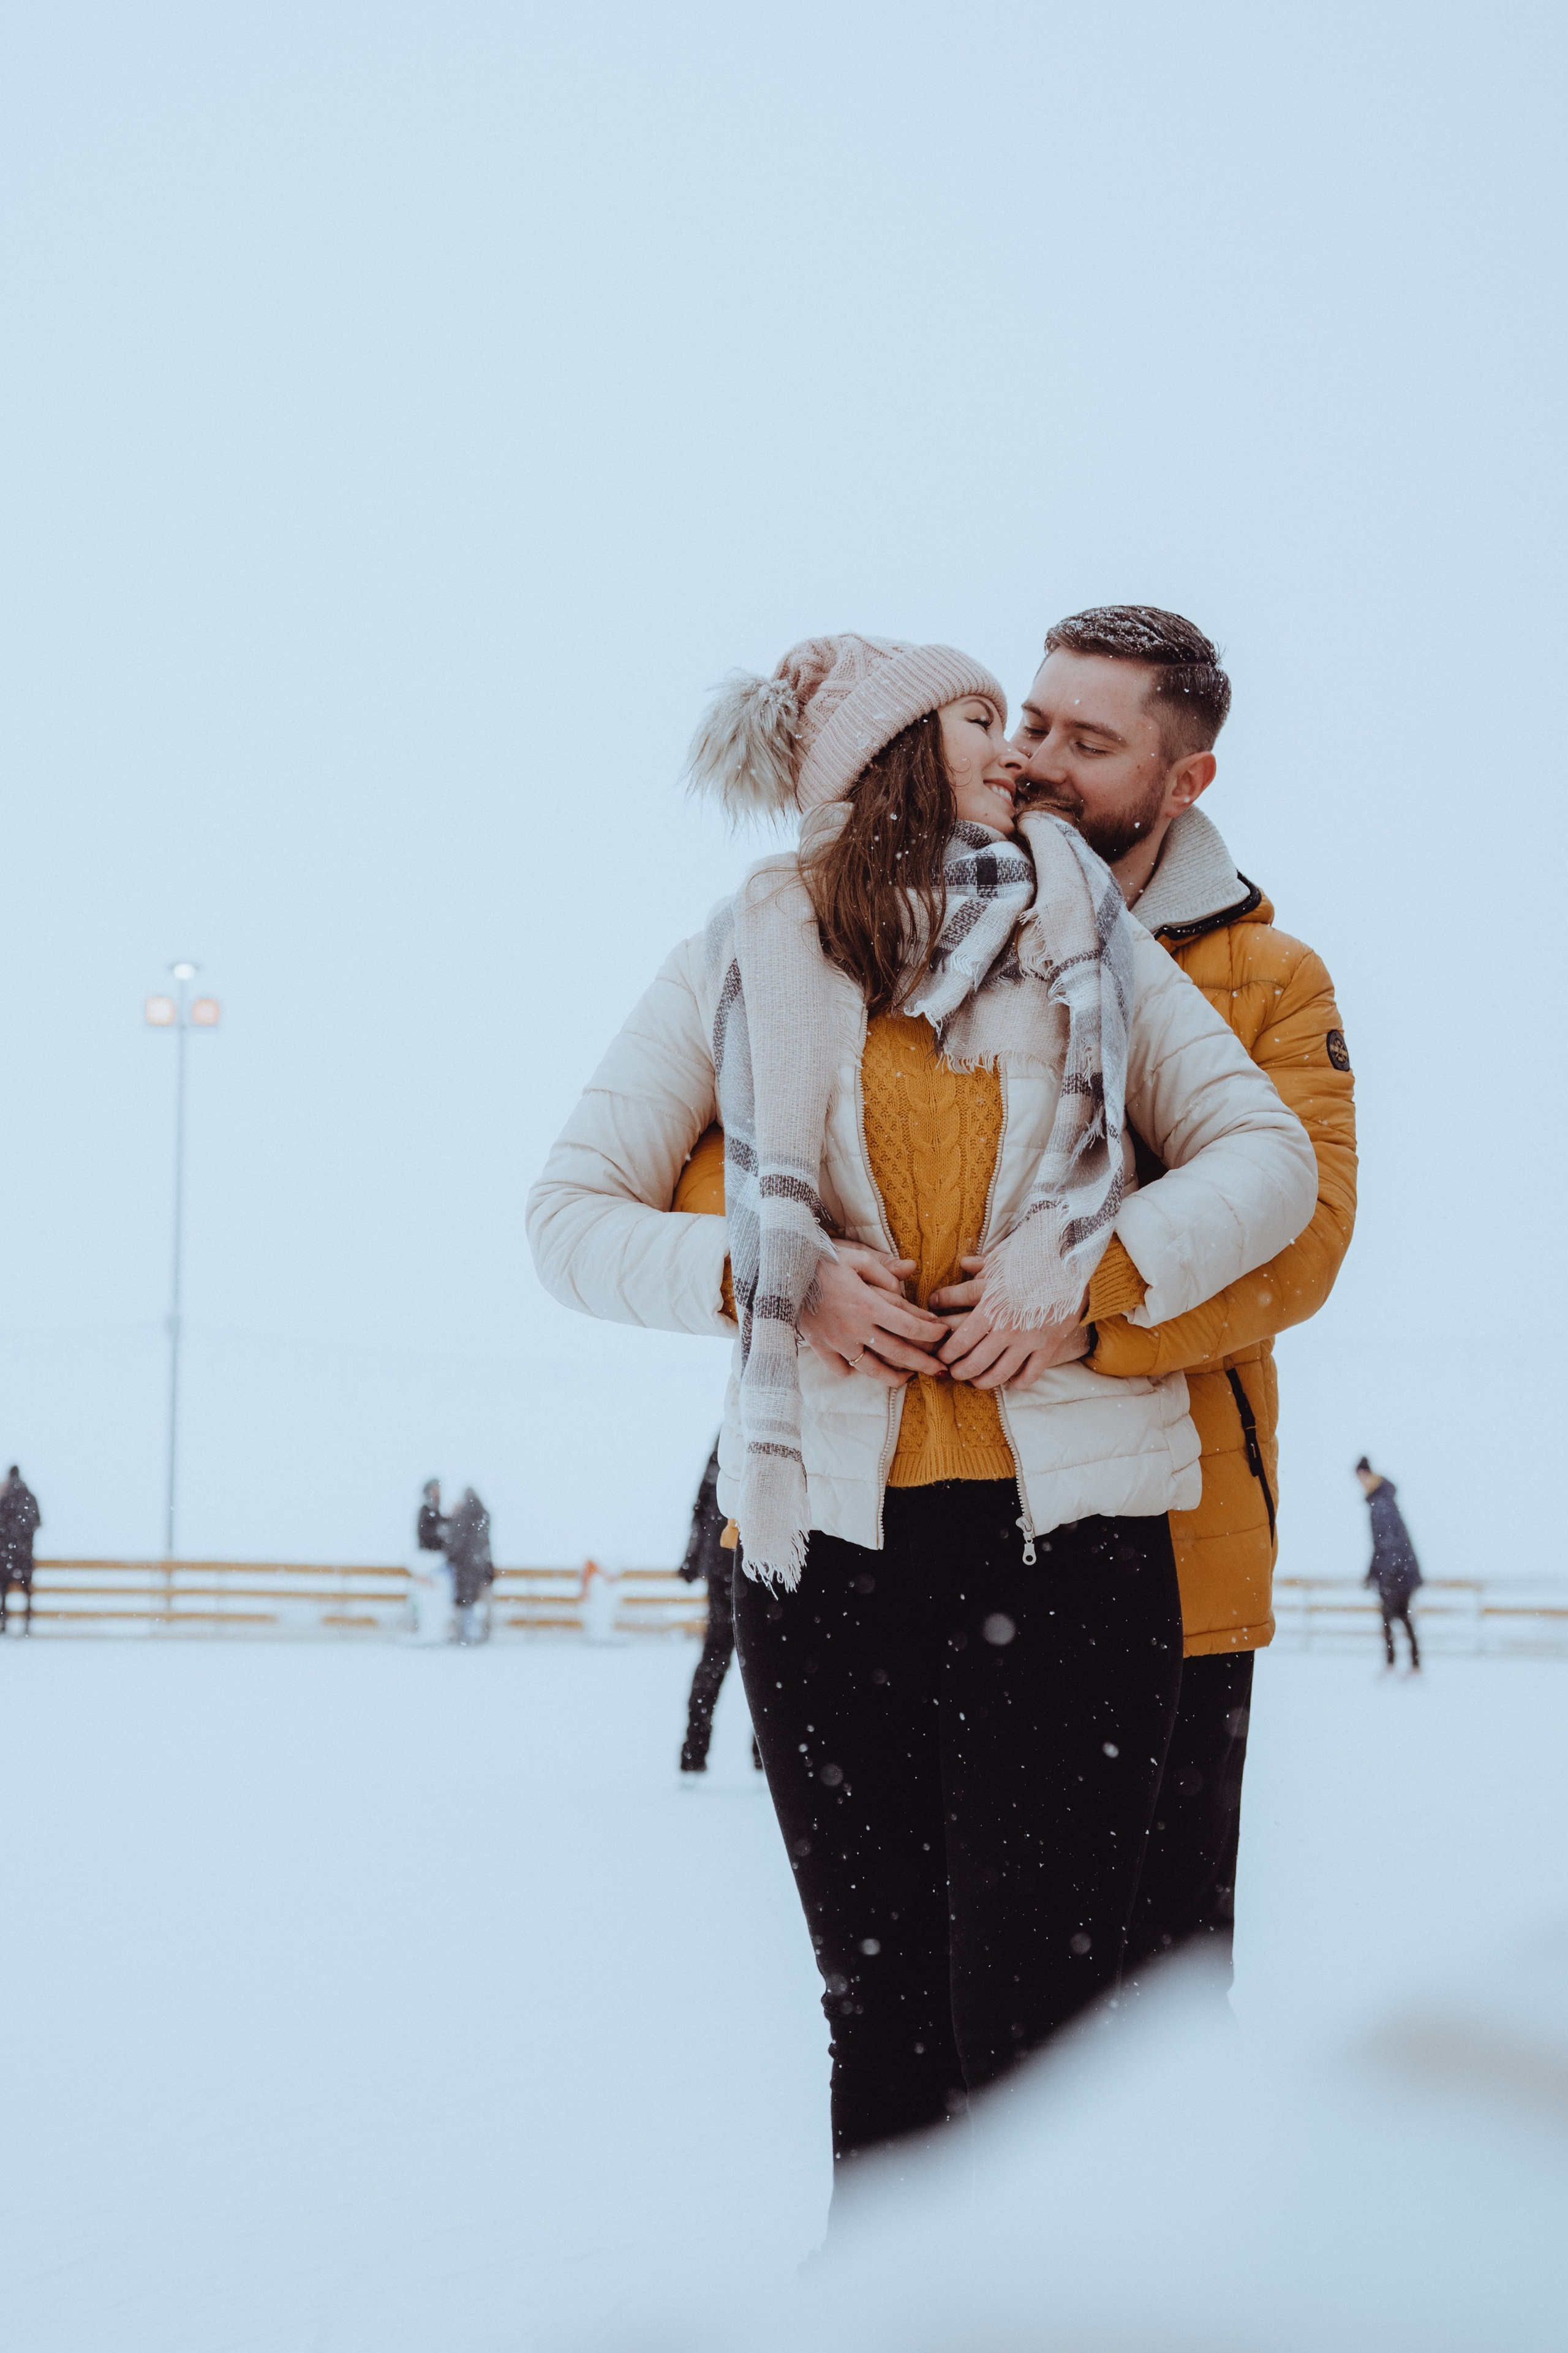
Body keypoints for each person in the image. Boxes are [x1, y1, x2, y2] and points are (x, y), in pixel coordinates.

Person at [527, 630, 1316, 2200]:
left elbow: (1268, 1163)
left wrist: (1083, 1270)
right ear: (882, 757)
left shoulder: (1084, 927)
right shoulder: (747, 946)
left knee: (1033, 2031)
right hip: (826, 1564)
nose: (1014, 748)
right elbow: (569, 1214)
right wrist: (781, 1279)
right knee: (879, 2017)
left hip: (1072, 1553)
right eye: (979, 717)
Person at [1001, 606, 1358, 1989]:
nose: (1039, 760)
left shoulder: (1269, 979)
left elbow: (1300, 1241)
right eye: (1033, 722)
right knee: (947, 1982)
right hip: (956, 1517)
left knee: (1146, 1995)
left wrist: (1079, 1315)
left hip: (1173, 1540)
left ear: (1183, 778)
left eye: (1089, 742)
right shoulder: (936, 920)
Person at [676, 1442, 763, 1774]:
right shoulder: (761, 1422)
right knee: (762, 1660)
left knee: (718, 1656)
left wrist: (692, 1555)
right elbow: (704, 1501)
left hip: (728, 1562)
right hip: (750, 1562)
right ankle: (763, 1756)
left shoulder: (729, 1433)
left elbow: (701, 1502)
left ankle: (695, 1751)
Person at [1357, 1457, 1422, 1671]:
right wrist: (1372, 1572)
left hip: (1397, 1572)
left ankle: (1396, 1664)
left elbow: (1390, 1543)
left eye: (1361, 1477)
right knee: (1400, 1616)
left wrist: (1390, 1572)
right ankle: (1411, 1663)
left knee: (1391, 1617)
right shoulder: (1382, 1501)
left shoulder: (1381, 1504)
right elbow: (1381, 1546)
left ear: (1367, 1475)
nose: (1360, 1483)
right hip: (1400, 1570)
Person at [445, 1488, 494, 1645]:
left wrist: (451, 1556)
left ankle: (464, 1634)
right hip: (479, 1566)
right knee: (475, 1601)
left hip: (464, 1566)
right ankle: (477, 1633)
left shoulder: (463, 1516)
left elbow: (455, 1542)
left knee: (463, 1601)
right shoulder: (483, 1515)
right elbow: (485, 1544)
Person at [405, 1478, 452, 1642]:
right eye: (435, 1489)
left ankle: (435, 1632)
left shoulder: (437, 1512)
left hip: (437, 1563)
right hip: (427, 1562)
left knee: (437, 1600)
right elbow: (425, 1535)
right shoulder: (425, 1511)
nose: (438, 1492)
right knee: (425, 1600)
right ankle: (424, 1632)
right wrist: (442, 1532)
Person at [0, 1466, 42, 1637]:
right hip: (24, 1554)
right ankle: (27, 1623)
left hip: (6, 1555)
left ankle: (3, 1623)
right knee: (27, 1591)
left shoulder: (4, 1498)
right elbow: (38, 1522)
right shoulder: (29, 1498)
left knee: (4, 1591)